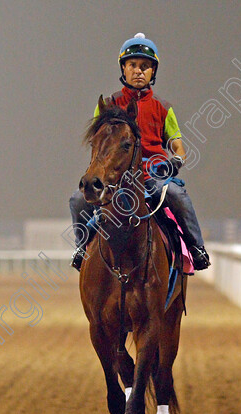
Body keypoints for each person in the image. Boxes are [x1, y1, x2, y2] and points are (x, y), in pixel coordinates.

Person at [70, 33, 210, 272]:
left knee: (178, 196)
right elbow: (98, 144)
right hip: (114, 176)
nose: (138, 71)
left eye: (145, 66)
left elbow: (178, 147)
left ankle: (197, 248)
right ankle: (82, 249)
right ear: (123, 69)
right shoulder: (108, 104)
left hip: (152, 175)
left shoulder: (164, 108)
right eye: (132, 65)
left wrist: (176, 160)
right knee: (77, 200)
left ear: (153, 72)